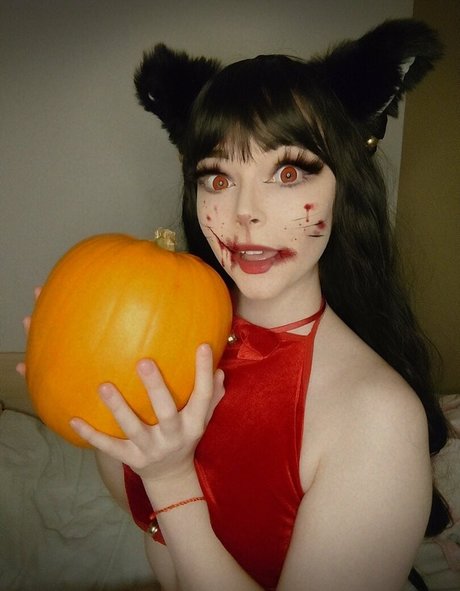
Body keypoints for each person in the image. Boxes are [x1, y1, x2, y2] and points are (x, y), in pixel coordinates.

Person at [23, 19, 451, 591]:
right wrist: (82, 375)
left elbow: (163, 502)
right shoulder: (171, 331)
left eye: (289, 172)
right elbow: (145, 516)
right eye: (218, 179)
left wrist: (172, 482)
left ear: (343, 186)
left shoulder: (380, 418)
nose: (245, 212)